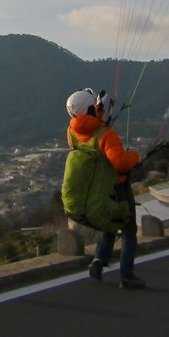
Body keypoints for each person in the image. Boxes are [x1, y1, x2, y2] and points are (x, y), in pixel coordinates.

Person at [64, 89, 144, 290]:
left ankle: (99, 260)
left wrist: (97, 110)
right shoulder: (105, 135)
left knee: (110, 224)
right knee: (128, 230)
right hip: (117, 187)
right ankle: (126, 276)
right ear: (90, 108)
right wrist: (135, 156)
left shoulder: (72, 133)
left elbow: (87, 124)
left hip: (97, 192)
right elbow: (120, 163)